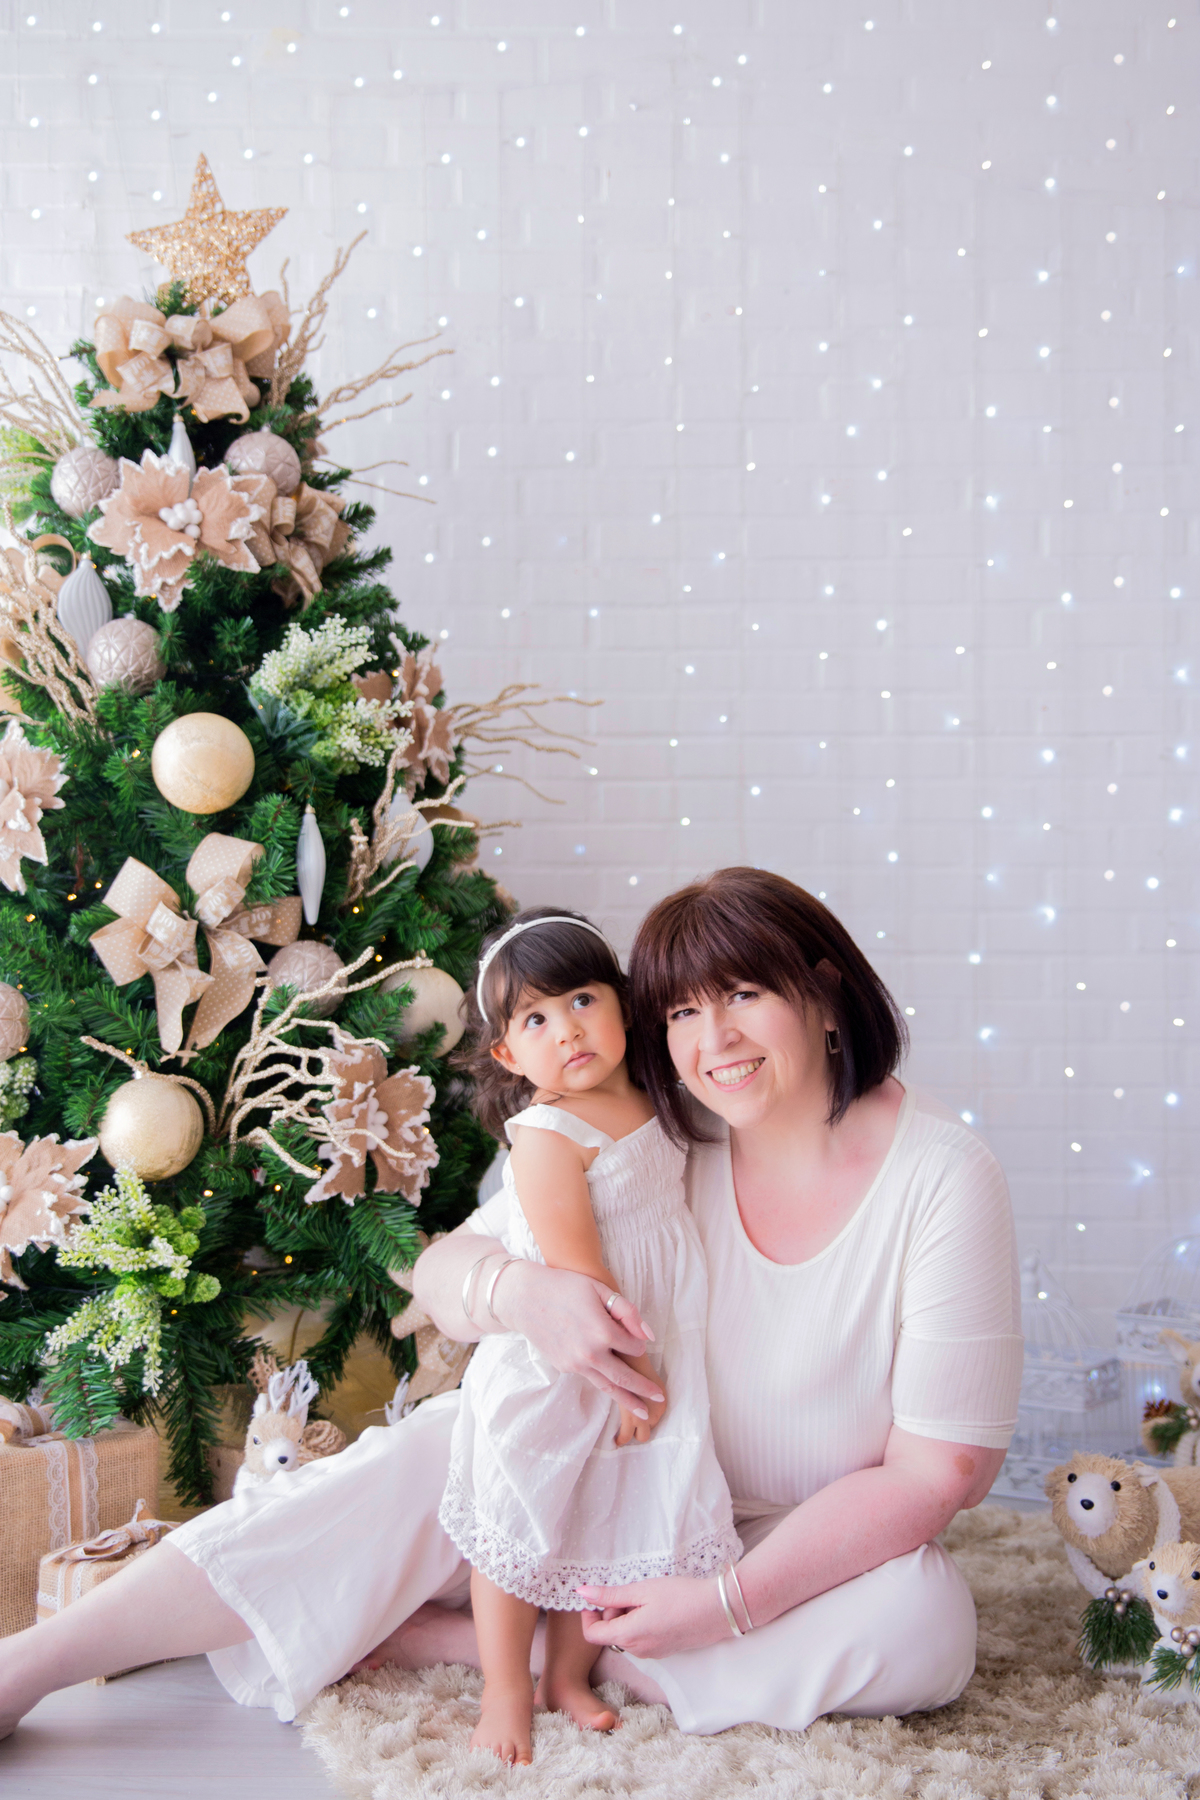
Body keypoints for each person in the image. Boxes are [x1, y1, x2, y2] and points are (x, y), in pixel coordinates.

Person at [0, 868, 1021, 1744]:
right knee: (406, 1470)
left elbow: (941, 1474)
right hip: (611, 1468)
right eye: (681, 1011)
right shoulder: (664, 1126)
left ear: (827, 993)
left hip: (789, 1542)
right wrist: (529, 1293)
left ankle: (541, 1651)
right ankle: (37, 1662)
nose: (714, 1042)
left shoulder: (940, 1175)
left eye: (747, 995)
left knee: (924, 1627)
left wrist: (723, 1602)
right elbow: (443, 1270)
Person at [440, 907, 739, 1762]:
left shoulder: (650, 1100)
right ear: (507, 1054)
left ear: (621, 1003)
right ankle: (505, 1688)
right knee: (525, 1522)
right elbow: (579, 1277)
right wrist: (632, 1374)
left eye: (580, 1000)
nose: (567, 1030)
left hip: (645, 1343)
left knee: (605, 1524)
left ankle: (568, 1674)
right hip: (568, 1359)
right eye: (535, 1020)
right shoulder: (545, 1135)